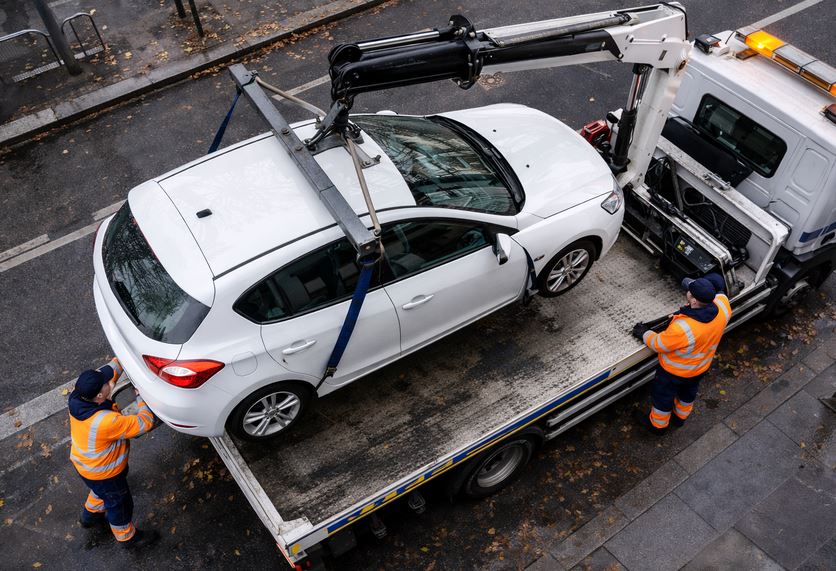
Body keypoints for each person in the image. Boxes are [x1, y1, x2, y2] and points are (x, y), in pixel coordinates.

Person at [68, 358, 159, 548]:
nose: (110, 382)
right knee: (119, 503)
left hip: (86, 466)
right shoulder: (106, 422)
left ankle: (89, 517)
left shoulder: (77, 398)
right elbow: (145, 423)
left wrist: (125, 358)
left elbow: (111, 371)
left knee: (101, 492)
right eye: (107, 384)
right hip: (105, 473)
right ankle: (127, 537)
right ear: (100, 396)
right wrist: (141, 397)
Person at [632, 274, 731, 434]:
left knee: (663, 399)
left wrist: (643, 333)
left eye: (689, 292)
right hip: (699, 369)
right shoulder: (723, 309)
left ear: (693, 301)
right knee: (687, 395)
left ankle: (657, 427)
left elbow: (659, 344)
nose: (687, 292)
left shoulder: (683, 328)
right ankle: (679, 418)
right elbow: (720, 291)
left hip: (673, 374)